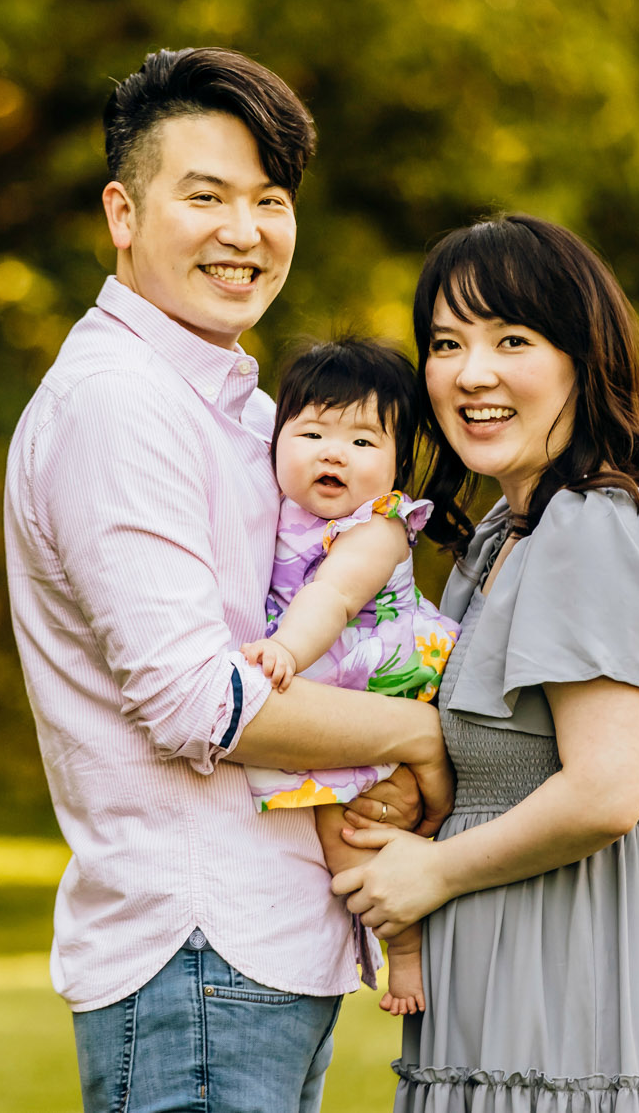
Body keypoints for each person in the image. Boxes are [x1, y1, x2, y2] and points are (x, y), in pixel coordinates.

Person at [3, 47, 451, 1113]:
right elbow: (200, 704)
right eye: (203, 196)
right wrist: (423, 736)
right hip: (196, 952)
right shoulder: (119, 406)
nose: (243, 231)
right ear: (122, 212)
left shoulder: (252, 415)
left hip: (263, 949)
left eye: (269, 199)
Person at [334, 213, 639, 1111]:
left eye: (511, 338)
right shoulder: (500, 537)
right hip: (500, 989)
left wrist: (434, 872)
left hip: (579, 986)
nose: (471, 372)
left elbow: (609, 789)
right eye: (445, 343)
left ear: (582, 357)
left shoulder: (592, 523)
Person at [237, 339, 461, 1016]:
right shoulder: (275, 512)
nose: (334, 453)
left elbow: (331, 598)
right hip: (330, 701)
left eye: (364, 440)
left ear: (398, 465)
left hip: (377, 687)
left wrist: (287, 653)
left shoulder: (378, 527)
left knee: (365, 844)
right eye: (312, 433)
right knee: (344, 841)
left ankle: (410, 956)